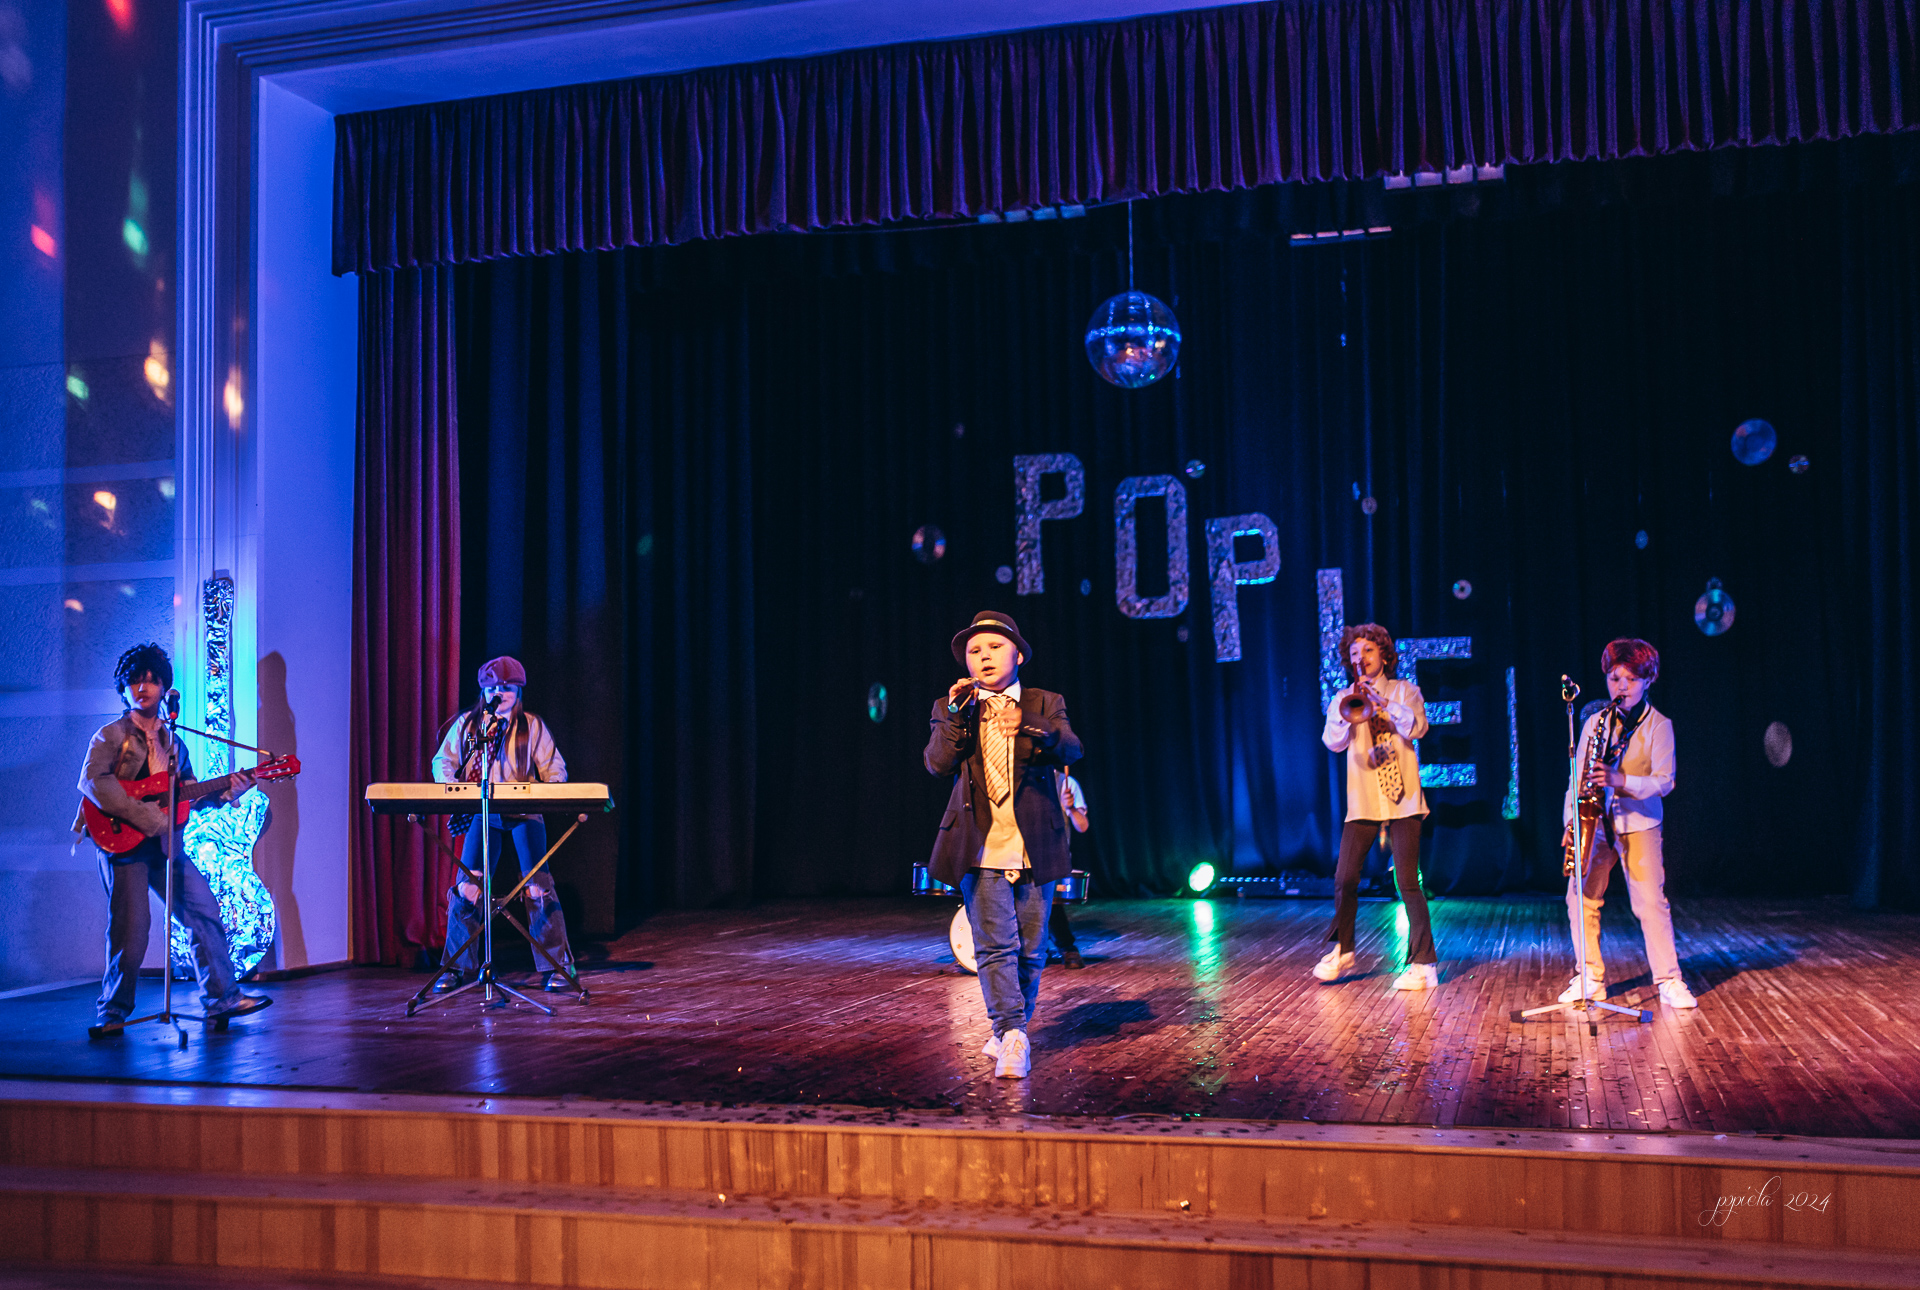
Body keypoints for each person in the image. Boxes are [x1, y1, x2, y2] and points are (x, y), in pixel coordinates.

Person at [77, 642, 271, 1035]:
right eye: (135, 681)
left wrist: (226, 791)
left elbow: (187, 796)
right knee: (132, 931)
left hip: (166, 845)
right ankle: (113, 1011)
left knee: (204, 910)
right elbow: (94, 784)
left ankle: (222, 999)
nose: (143, 687)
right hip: (122, 844)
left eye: (152, 680)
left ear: (164, 687)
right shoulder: (110, 736)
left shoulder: (173, 743)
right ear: (123, 689)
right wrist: (149, 818)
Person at [925, 612, 1083, 1078]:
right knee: (995, 947)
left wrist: (1029, 723)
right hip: (979, 845)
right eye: (974, 651)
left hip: (1034, 843)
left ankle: (1007, 1032)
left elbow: (1071, 748)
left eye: (994, 647)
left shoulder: (1044, 702)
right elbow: (937, 763)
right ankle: (1012, 1032)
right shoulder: (952, 705)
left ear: (1018, 655)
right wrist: (957, 715)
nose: (984, 657)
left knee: (1032, 950)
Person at [1560, 638, 1695, 1008]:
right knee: (1580, 896)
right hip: (1595, 821)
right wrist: (1571, 821)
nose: (1622, 687)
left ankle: (1669, 980)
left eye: (1631, 679)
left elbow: (1665, 781)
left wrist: (1621, 781)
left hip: (1640, 823)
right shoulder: (1594, 723)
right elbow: (1576, 777)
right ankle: (1589, 978)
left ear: (1648, 680)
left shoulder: (1659, 725)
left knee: (1650, 902)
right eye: (1615, 678)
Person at [431, 656, 577, 992]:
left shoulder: (531, 726)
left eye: (507, 688)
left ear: (518, 690)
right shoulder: (469, 725)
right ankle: (454, 967)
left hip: (524, 811)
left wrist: (549, 791)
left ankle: (558, 965)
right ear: (484, 692)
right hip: (484, 811)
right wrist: (454, 788)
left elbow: (555, 769)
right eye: (493, 688)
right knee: (469, 885)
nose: (500, 693)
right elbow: (443, 761)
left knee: (537, 885)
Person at [1318, 623, 1441, 990]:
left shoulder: (1405, 691)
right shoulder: (1343, 698)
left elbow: (1417, 728)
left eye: (1368, 651)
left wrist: (1384, 704)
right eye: (1354, 654)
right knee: (1344, 878)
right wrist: (1348, 710)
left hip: (1404, 800)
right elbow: (1333, 742)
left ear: (1384, 656)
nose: (1361, 658)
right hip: (1364, 800)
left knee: (1407, 881)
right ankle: (1343, 950)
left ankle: (1425, 964)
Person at [1046, 770, 1090, 969]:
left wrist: (1070, 808)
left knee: (1050, 903)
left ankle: (1066, 946)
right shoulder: (1020, 776)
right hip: (1020, 853)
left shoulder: (1065, 783)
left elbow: (1082, 826)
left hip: (1053, 855)